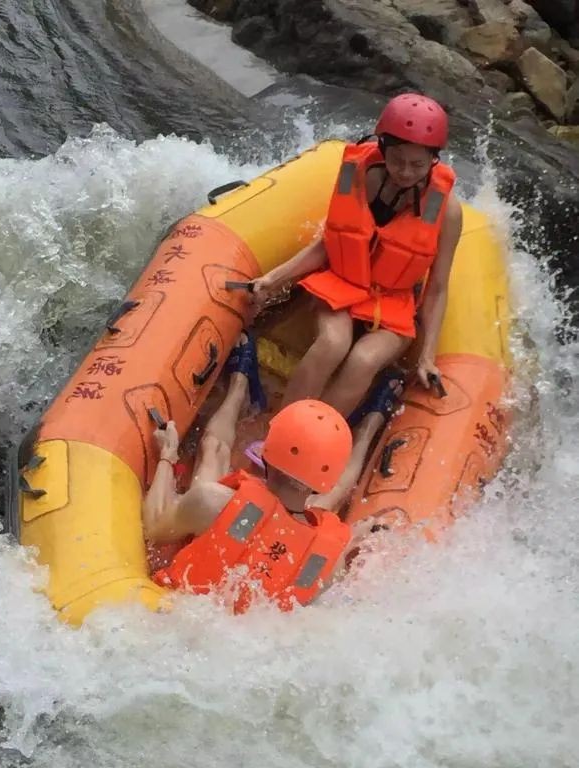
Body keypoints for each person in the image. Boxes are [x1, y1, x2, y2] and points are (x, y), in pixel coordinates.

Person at [143, 332, 404, 612]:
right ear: (326, 479)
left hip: (189, 609)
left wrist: (168, 455)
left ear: (266, 450)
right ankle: (371, 423)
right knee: (326, 506)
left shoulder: (211, 500)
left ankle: (239, 385)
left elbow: (154, 529)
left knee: (212, 449)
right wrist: (352, 538)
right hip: (245, 624)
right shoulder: (332, 565)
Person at [251, 93, 463, 420]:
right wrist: (273, 278)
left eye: (418, 165)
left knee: (363, 360)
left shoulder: (447, 211)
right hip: (342, 283)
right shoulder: (358, 176)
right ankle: (283, 426)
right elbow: (332, 243)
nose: (405, 172)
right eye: (397, 160)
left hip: (392, 302)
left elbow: (437, 287)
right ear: (382, 147)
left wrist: (427, 356)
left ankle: (318, 436)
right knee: (333, 343)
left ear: (434, 160)